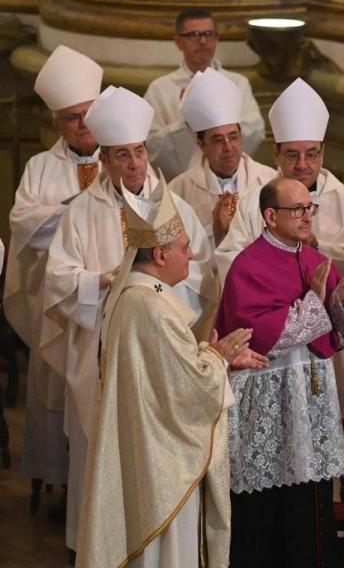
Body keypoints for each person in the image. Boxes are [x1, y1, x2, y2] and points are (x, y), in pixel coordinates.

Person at [39, 85, 215, 556]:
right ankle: (98, 544)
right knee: (101, 446)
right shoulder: (82, 211)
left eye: (138, 152)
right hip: (103, 350)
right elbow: (57, 279)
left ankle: (158, 545)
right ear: (108, 159)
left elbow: (198, 271)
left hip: (160, 348)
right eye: (122, 155)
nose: (134, 163)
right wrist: (101, 282)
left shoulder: (175, 207)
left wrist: (154, 297)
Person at [215, 77, 344, 531]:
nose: (303, 163)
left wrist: (323, 263)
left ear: (324, 153)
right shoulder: (262, 204)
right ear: (277, 156)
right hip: (270, 369)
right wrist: (282, 253)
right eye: (292, 154)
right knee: (275, 488)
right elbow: (234, 264)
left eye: (312, 154)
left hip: (325, 363)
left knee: (316, 481)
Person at [76, 185, 267, 568]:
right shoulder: (151, 307)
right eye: (184, 247)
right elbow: (187, 389)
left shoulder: (134, 296)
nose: (191, 254)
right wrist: (218, 356)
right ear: (161, 254)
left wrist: (215, 358)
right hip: (162, 463)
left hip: (149, 446)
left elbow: (167, 372)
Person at [216, 176, 344, 567]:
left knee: (310, 514)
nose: (306, 216)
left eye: (309, 208)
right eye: (296, 209)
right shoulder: (247, 266)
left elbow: (342, 335)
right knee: (264, 517)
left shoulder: (317, 261)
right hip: (267, 408)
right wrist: (317, 302)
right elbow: (265, 335)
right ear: (270, 215)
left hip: (311, 407)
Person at [4, 45, 101, 510]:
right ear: (57, 123)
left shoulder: (125, 158)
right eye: (71, 117)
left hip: (106, 302)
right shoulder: (40, 168)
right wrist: (76, 214)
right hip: (57, 301)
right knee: (55, 390)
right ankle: (58, 480)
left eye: (88, 114)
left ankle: (97, 483)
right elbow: (24, 222)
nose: (82, 125)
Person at [144, 8, 265, 180]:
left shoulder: (237, 83)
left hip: (234, 180)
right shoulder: (160, 89)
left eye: (208, 34)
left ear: (217, 38)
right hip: (182, 185)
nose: (202, 41)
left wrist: (220, 123)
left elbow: (255, 131)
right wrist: (187, 121)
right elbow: (151, 145)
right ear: (178, 42)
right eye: (193, 35)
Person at [169, 68, 276, 253]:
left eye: (233, 137)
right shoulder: (179, 191)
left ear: (241, 138)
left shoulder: (270, 181)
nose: (228, 147)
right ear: (201, 144)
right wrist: (215, 231)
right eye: (218, 140)